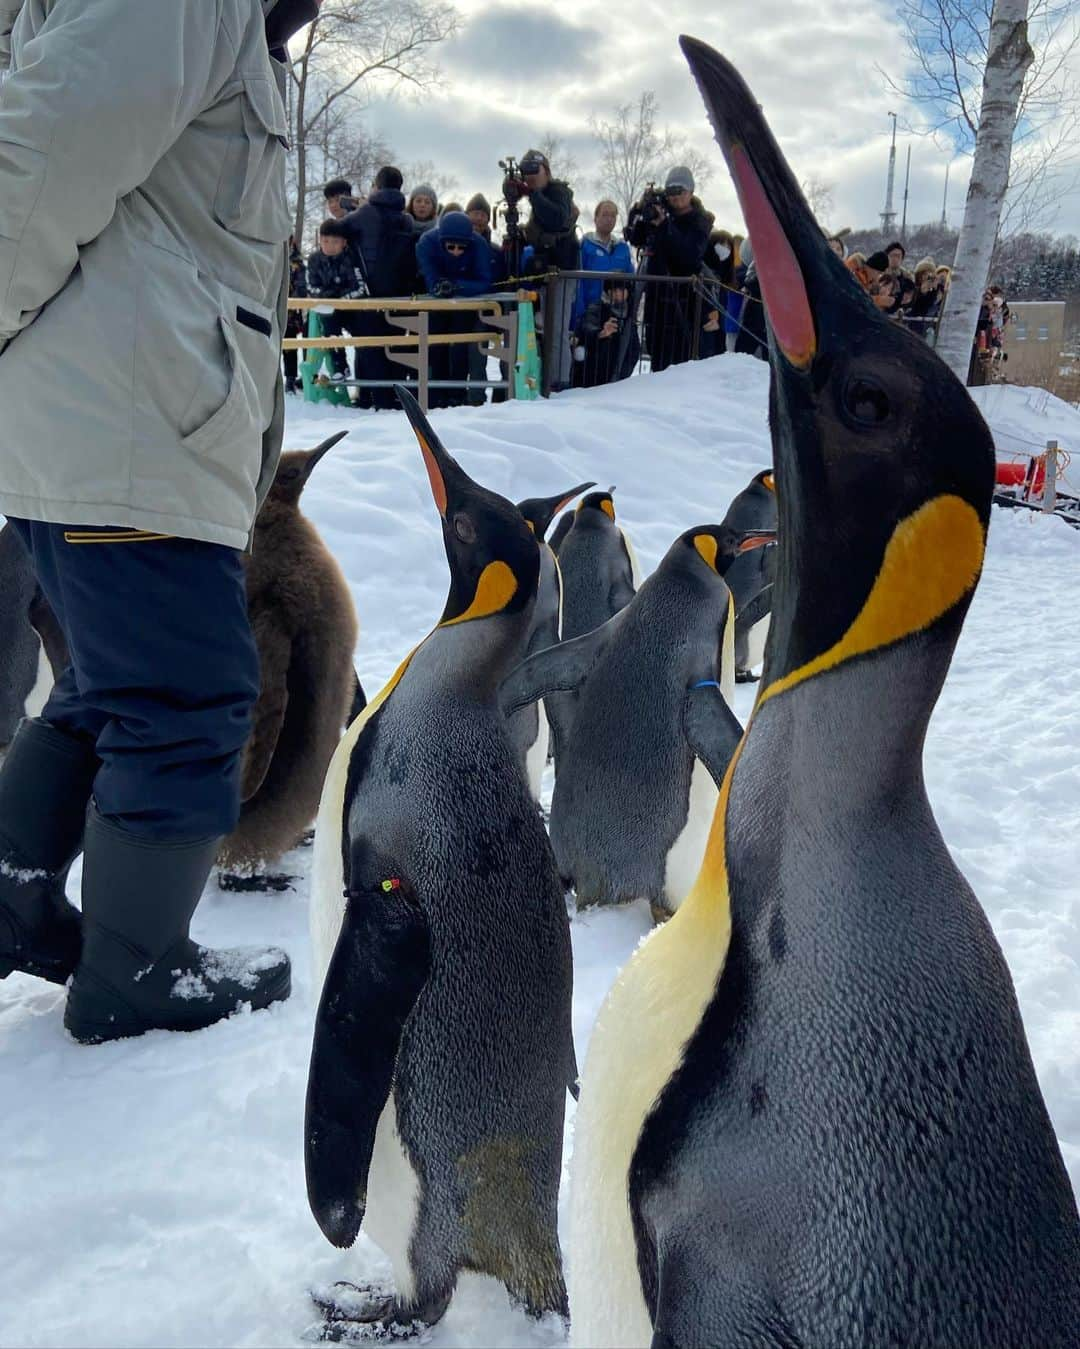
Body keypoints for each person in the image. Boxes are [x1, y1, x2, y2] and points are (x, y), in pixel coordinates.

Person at [0, 0, 316, 1041]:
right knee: (187, 697)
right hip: (131, 416)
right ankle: (138, 969)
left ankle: (14, 893)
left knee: (107, 680)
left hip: (113, 422)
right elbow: (40, 152)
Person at [338, 165, 417, 409]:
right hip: (399, 296)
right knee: (393, 347)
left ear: (377, 186)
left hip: (369, 294)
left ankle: (372, 399)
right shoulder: (406, 219)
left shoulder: (365, 214)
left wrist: (356, 208)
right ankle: (394, 399)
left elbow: (339, 232)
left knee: (369, 348)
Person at [504, 149, 580, 391]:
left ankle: (559, 383)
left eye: (534, 171)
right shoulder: (539, 199)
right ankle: (542, 379)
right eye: (526, 173)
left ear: (546, 170)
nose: (530, 177)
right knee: (544, 330)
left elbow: (557, 218)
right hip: (545, 274)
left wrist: (532, 194)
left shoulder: (559, 192)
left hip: (562, 272)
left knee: (556, 331)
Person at [627, 166, 713, 372]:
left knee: (681, 358)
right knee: (658, 354)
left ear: (691, 192)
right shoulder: (660, 212)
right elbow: (636, 238)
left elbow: (690, 256)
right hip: (657, 296)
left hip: (685, 300)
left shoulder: (701, 220)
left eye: (680, 192)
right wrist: (639, 212)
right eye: (671, 193)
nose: (675, 198)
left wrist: (665, 225)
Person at [417, 210, 496, 408]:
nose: (456, 251)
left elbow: (484, 280)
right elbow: (428, 273)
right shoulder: (427, 243)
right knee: (436, 346)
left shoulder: (479, 245)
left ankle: (457, 393)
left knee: (461, 348)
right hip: (435, 307)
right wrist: (437, 286)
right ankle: (436, 396)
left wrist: (458, 286)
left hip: (465, 306)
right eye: (450, 246)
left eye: (461, 247)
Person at [306, 219, 368, 391]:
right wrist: (326, 296)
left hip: (350, 307)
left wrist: (343, 298)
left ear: (344, 243)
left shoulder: (351, 259)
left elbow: (360, 287)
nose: (330, 246)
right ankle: (339, 365)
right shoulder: (314, 260)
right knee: (329, 325)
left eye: (335, 242)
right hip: (327, 306)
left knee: (363, 335)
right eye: (325, 241)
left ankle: (367, 374)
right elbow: (311, 285)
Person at [573, 201, 633, 328]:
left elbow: (631, 280)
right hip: (591, 312)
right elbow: (578, 281)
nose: (609, 219)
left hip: (617, 312)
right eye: (605, 215)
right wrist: (580, 312)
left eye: (613, 216)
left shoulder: (622, 248)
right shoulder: (584, 245)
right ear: (595, 218)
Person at [573, 277, 641, 388]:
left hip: (617, 380)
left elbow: (634, 350)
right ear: (608, 292)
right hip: (590, 379)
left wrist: (622, 376)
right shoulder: (597, 308)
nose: (618, 294)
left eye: (622, 290)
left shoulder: (629, 316)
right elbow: (586, 328)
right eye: (614, 290)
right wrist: (601, 333)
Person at [700, 227, 736, 358]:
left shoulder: (724, 274)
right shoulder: (703, 269)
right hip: (706, 322)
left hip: (719, 325)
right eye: (721, 244)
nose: (725, 248)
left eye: (728, 245)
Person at [283, 235, 308, 394]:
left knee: (290, 347)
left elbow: (301, 287)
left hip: (291, 312)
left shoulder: (297, 264)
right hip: (271, 308)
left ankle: (291, 378)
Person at [904, 258, 943, 341]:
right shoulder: (913, 289)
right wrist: (921, 293)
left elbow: (934, 305)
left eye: (929, 274)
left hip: (931, 327)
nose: (925, 277)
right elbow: (914, 307)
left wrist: (935, 290)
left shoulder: (938, 289)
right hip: (915, 326)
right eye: (923, 274)